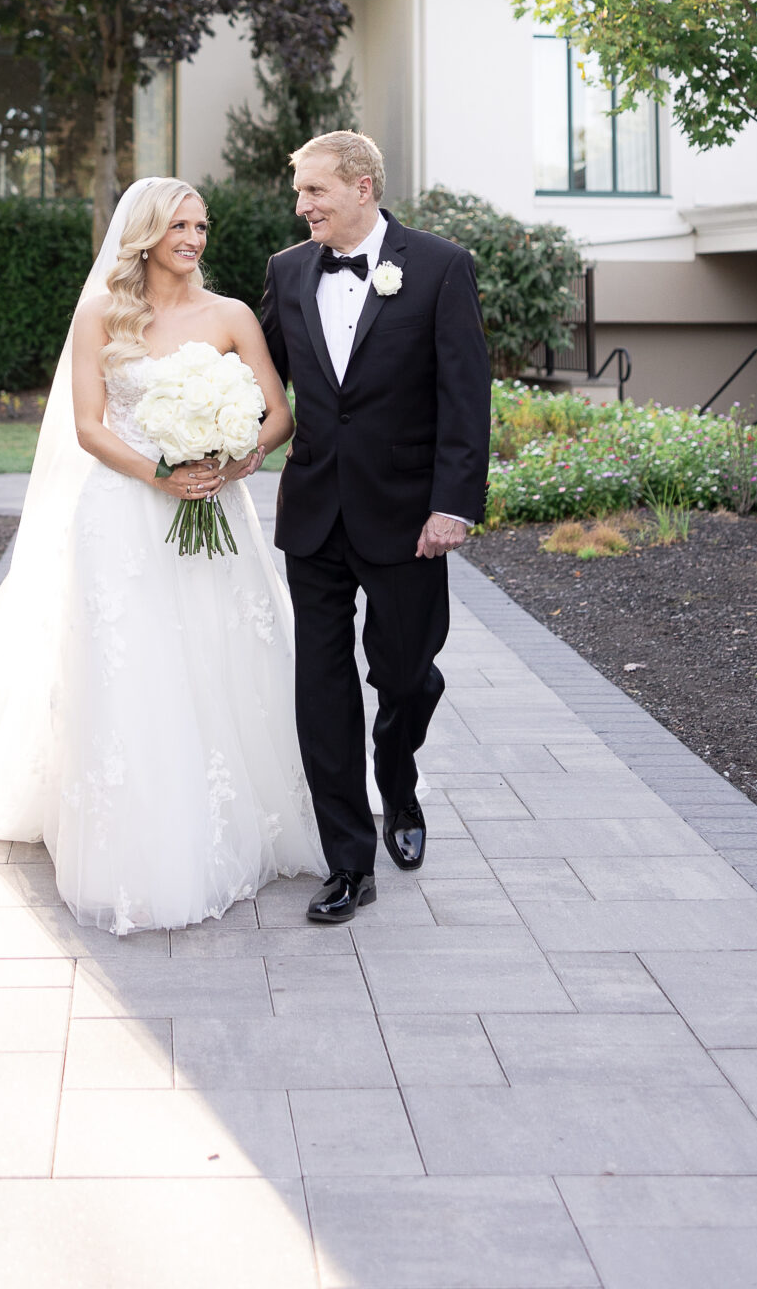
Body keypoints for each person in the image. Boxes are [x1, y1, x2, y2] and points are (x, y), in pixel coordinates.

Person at [0, 177, 324, 933]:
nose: (194, 239)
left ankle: (236, 816)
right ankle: (133, 837)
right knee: (131, 665)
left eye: (201, 226)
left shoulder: (231, 315)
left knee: (218, 654)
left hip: (212, 505)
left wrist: (233, 461)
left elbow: (278, 413)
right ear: (144, 233)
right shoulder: (101, 314)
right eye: (179, 225)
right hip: (124, 513)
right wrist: (158, 475)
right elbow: (89, 425)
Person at [261, 131, 491, 924]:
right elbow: (254, 377)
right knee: (320, 688)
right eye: (300, 195)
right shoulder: (287, 271)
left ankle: (399, 781)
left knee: (403, 675)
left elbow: (465, 394)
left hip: (408, 520)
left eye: (314, 192)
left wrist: (453, 504)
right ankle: (346, 863)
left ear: (361, 187)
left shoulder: (439, 266)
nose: (302, 208)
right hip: (314, 515)